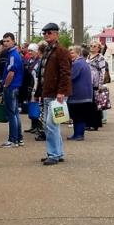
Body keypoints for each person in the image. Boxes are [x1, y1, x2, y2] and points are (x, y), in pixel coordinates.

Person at [37, 23, 72, 165]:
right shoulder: (47, 50)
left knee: (51, 124)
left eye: (49, 32)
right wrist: (39, 92)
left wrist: (61, 91)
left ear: (57, 34)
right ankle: (57, 152)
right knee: (50, 124)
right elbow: (43, 73)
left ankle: (54, 154)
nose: (46, 35)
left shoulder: (61, 51)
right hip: (48, 92)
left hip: (57, 94)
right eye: (44, 33)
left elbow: (66, 73)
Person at [0, 33, 24, 148]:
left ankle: (13, 140)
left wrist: (5, 85)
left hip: (11, 87)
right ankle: (19, 139)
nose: (5, 43)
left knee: (11, 114)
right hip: (15, 86)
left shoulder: (13, 55)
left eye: (8, 41)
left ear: (13, 41)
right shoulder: (14, 54)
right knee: (16, 114)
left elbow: (11, 72)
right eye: (4, 41)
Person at [66, 45, 94, 141]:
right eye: (69, 52)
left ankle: (79, 135)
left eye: (72, 52)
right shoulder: (82, 62)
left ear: (78, 53)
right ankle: (77, 134)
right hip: (84, 95)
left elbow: (71, 77)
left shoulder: (77, 64)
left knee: (78, 116)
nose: (70, 54)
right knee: (78, 116)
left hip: (79, 95)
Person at [87, 42, 107, 130]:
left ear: (98, 48)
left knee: (95, 104)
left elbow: (103, 71)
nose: (92, 47)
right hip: (88, 82)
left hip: (96, 82)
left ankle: (95, 124)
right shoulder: (88, 56)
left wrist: (100, 84)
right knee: (89, 104)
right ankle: (89, 123)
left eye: (94, 46)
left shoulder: (100, 57)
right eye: (91, 46)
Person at [24, 44, 43, 135]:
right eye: (29, 51)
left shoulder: (39, 62)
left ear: (36, 52)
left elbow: (38, 76)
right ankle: (33, 126)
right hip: (30, 85)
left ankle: (38, 126)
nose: (30, 52)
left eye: (31, 51)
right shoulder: (29, 61)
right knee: (31, 105)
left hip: (35, 85)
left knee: (36, 106)